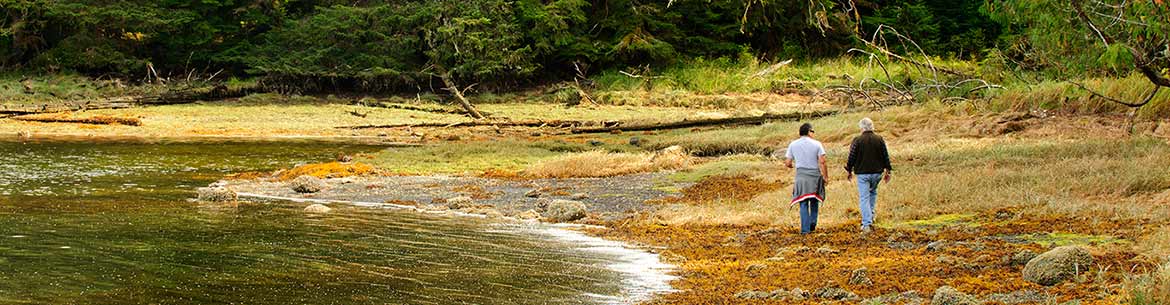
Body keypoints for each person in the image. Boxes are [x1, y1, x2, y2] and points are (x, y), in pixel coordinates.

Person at [844, 118, 892, 234]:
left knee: (864, 198)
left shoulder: (857, 140)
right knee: (873, 193)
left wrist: (849, 170)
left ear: (862, 128)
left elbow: (852, 157)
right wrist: (888, 170)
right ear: (872, 127)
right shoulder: (879, 139)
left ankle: (866, 224)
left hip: (863, 174)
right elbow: (885, 155)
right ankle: (871, 216)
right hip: (877, 173)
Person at [785, 123, 828, 235]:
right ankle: (812, 223)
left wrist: (791, 166)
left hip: (801, 175)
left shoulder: (793, 144)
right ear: (809, 131)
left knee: (803, 202)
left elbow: (788, 162)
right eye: (812, 131)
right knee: (814, 200)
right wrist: (825, 176)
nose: (813, 133)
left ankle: (805, 229)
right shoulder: (817, 144)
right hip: (814, 174)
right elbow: (822, 161)